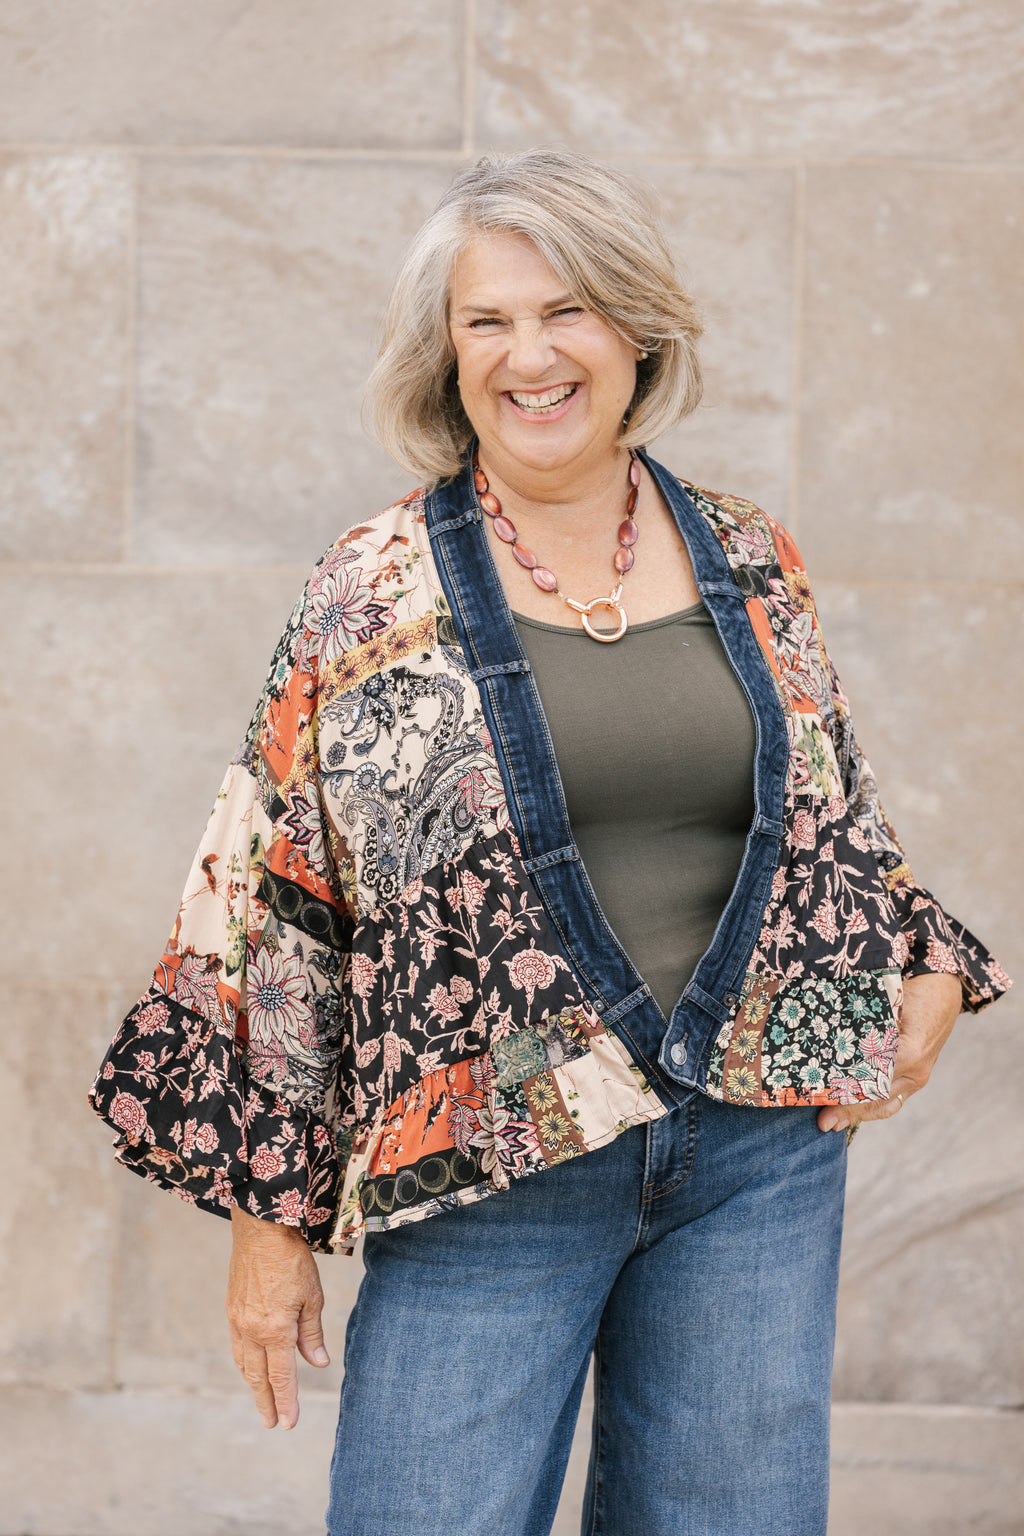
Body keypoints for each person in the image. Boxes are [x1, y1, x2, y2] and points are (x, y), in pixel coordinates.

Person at [90, 148, 1010, 1536]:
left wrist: (925, 955)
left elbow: (831, 817)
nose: (530, 355)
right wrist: (267, 1227)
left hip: (757, 1155)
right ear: (448, 355)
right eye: (489, 321)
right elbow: (271, 907)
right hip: (487, 1164)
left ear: (635, 330)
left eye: (566, 310)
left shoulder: (752, 554)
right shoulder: (372, 590)